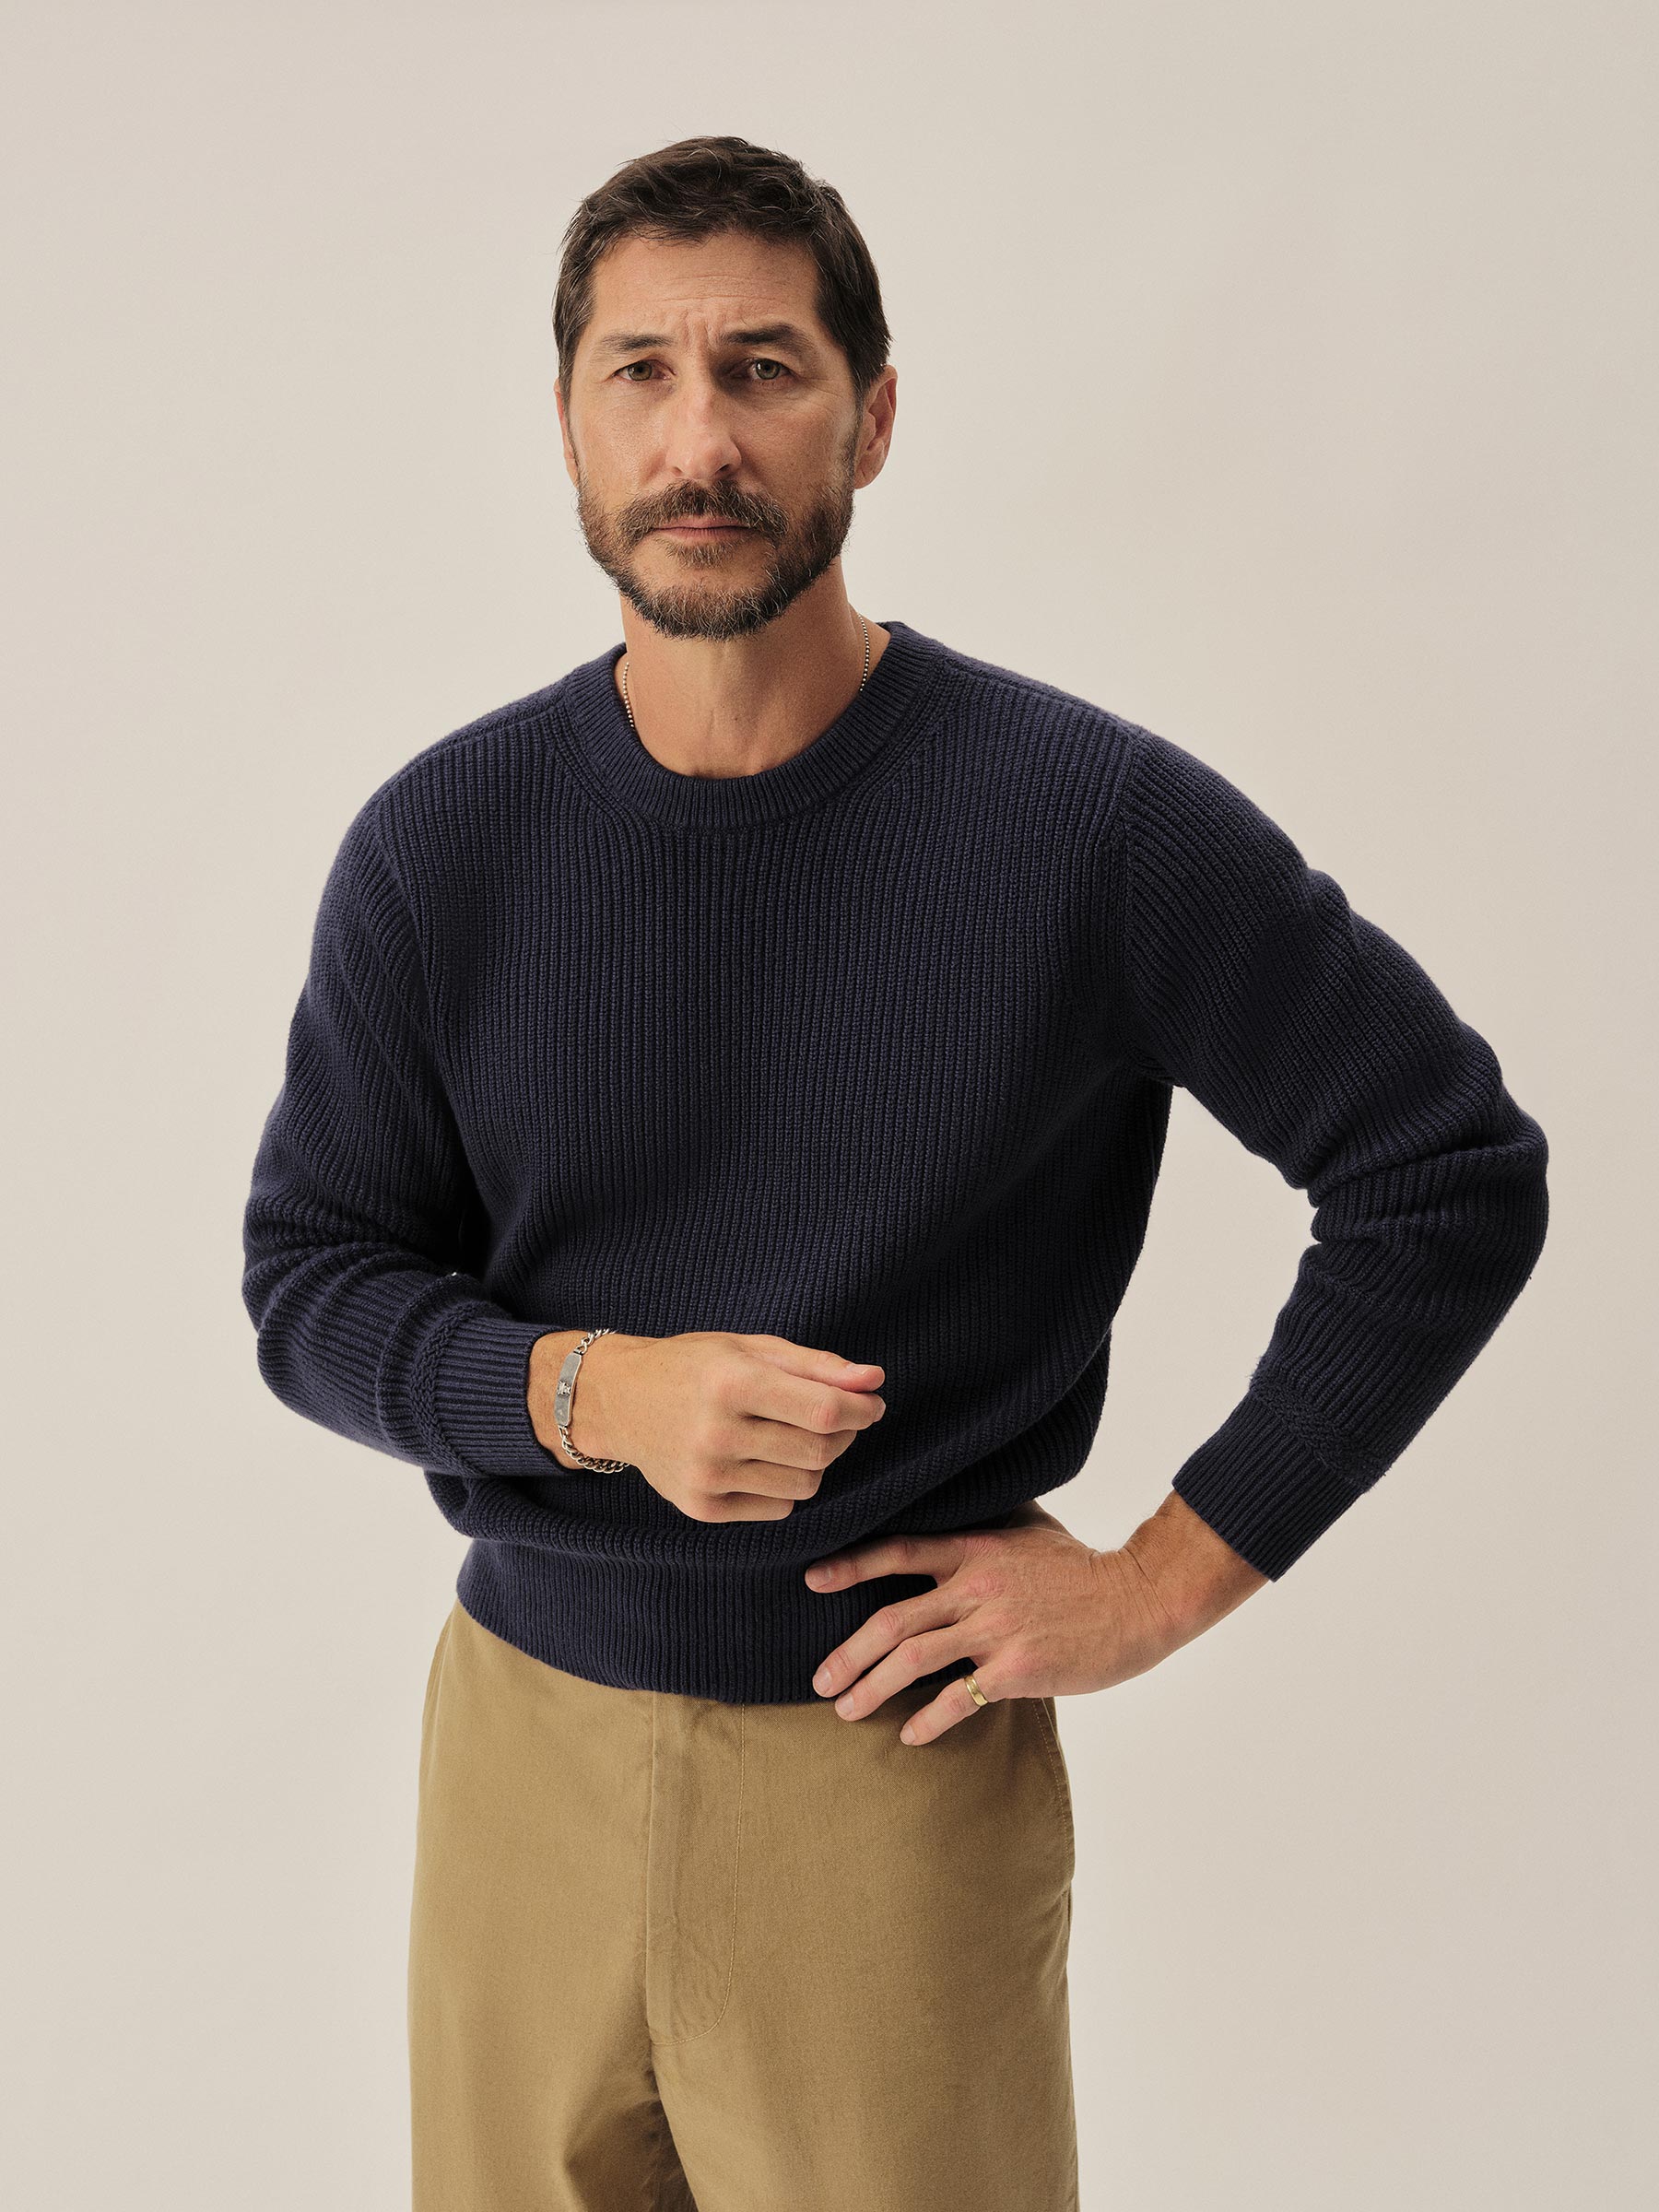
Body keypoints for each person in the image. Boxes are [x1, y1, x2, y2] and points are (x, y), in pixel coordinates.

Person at [240, 135, 1549, 2212]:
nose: (699, 439)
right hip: (517, 1755)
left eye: (762, 368)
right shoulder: (443, 841)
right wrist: (592, 1390)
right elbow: (312, 1277)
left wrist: (1159, 1583)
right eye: (642, 372)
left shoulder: (1082, 823)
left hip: (887, 1774)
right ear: (566, 425)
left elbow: (1444, 1171)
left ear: (871, 418)